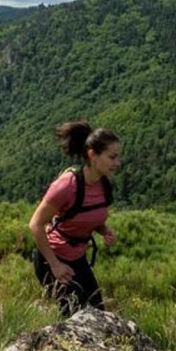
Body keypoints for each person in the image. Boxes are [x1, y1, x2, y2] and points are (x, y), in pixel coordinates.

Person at [28, 120, 121, 316]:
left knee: (98, 315)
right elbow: (35, 225)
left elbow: (87, 217)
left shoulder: (104, 185)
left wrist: (104, 230)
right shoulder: (67, 185)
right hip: (52, 258)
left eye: (118, 157)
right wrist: (55, 265)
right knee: (76, 316)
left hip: (78, 258)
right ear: (92, 155)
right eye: (112, 157)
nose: (117, 163)